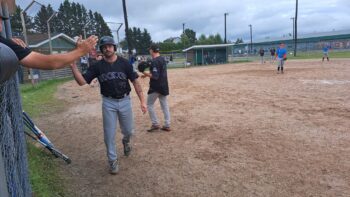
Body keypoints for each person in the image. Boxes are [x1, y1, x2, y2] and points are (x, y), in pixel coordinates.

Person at [69, 36, 147, 175]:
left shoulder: (124, 63)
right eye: (104, 47)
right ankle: (112, 161)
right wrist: (73, 66)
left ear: (114, 47)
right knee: (109, 134)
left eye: (110, 46)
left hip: (125, 100)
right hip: (108, 102)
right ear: (102, 50)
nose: (107, 48)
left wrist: (142, 101)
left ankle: (126, 141)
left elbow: (135, 82)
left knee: (129, 131)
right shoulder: (97, 66)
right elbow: (82, 82)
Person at [0, 13, 98, 84]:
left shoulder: (5, 43)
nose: (1, 24)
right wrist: (81, 51)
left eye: (1, 20)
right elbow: (50, 62)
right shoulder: (4, 44)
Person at [141, 43, 171, 132]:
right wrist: (147, 75)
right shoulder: (162, 59)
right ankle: (167, 124)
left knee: (149, 105)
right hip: (164, 85)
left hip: (156, 87)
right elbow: (158, 72)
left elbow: (155, 76)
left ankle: (155, 124)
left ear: (152, 50)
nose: (149, 51)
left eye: (150, 49)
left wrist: (145, 73)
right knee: (164, 105)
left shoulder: (154, 61)